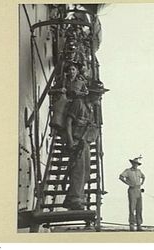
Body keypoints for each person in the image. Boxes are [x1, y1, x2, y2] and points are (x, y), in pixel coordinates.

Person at [62, 82, 108, 210]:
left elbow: (95, 128)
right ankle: (75, 199)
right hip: (77, 141)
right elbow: (69, 122)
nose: (100, 98)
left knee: (86, 171)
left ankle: (71, 198)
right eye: (99, 95)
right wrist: (70, 140)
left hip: (85, 142)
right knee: (78, 170)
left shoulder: (92, 108)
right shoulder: (79, 103)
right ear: (93, 94)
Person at [119, 156, 145, 231]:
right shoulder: (128, 171)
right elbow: (121, 177)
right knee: (132, 208)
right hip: (132, 190)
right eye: (134, 163)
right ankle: (132, 225)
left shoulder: (139, 171)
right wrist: (128, 183)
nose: (135, 165)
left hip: (139, 190)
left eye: (137, 164)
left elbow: (144, 177)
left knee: (139, 208)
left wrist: (141, 183)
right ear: (132, 163)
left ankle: (139, 224)